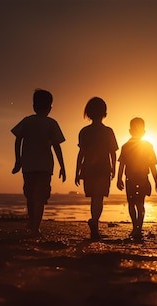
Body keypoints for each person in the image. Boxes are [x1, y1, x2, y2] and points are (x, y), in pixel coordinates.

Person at [11, 89, 66, 233]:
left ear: (34, 106)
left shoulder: (27, 121)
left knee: (30, 195)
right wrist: (62, 166)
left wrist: (18, 160)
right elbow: (56, 146)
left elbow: (18, 141)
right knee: (40, 197)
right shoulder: (51, 123)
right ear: (50, 107)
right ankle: (36, 226)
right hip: (45, 166)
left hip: (28, 165)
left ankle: (32, 222)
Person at [75, 97, 118, 241]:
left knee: (94, 197)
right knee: (98, 198)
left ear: (88, 113)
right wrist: (114, 168)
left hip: (88, 169)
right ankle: (95, 222)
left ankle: (95, 224)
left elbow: (81, 153)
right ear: (104, 113)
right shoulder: (108, 131)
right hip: (103, 168)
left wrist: (77, 171)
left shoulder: (84, 131)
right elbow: (113, 152)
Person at [116, 117, 157, 239]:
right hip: (138, 178)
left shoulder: (130, 146)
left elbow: (122, 165)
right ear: (143, 132)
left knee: (134, 203)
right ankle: (137, 227)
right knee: (138, 203)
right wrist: (156, 181)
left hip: (134, 178)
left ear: (130, 131)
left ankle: (137, 227)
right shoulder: (131, 146)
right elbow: (122, 164)